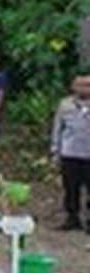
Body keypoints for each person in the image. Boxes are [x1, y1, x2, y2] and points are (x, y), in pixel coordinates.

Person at [51, 73, 90, 232]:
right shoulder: (65, 104)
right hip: (70, 153)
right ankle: (72, 218)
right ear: (73, 87)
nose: (84, 88)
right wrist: (55, 151)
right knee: (70, 188)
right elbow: (57, 128)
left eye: (87, 85)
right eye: (80, 85)